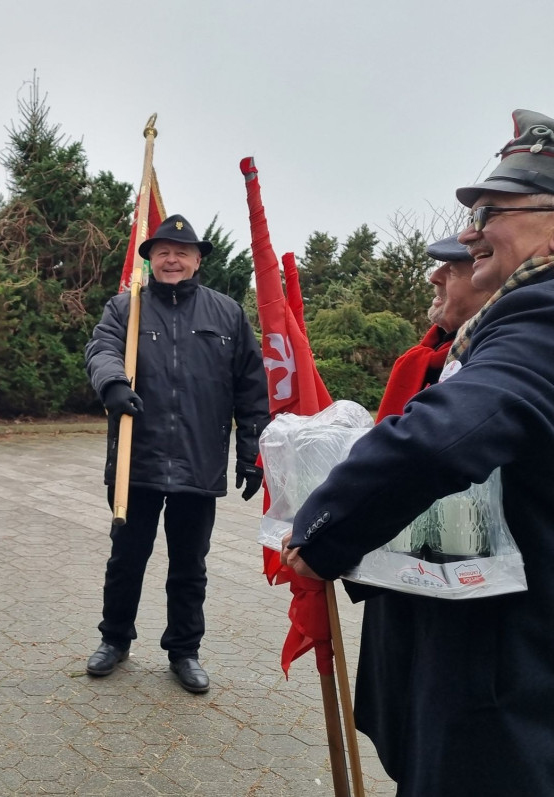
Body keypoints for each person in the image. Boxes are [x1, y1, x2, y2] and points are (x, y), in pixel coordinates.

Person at [283, 109, 554, 794]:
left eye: (491, 209)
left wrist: (323, 531)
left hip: (511, 685)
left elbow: (438, 440)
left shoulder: (541, 316)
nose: (469, 233)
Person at [84, 214, 269, 693]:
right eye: (162, 251)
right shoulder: (126, 309)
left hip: (198, 460)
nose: (172, 259)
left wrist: (251, 453)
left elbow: (251, 387)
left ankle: (185, 651)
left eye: (182, 252)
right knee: (127, 559)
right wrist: (113, 385)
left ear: (197, 260)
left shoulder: (227, 313)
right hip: (135, 458)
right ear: (149, 259)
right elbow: (100, 351)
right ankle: (114, 640)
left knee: (190, 565)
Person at [353, 233, 491, 780]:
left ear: (491, 278)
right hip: (402, 589)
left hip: (469, 602)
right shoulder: (422, 359)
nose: (434, 278)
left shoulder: (505, 362)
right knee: (406, 736)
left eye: (453, 269)